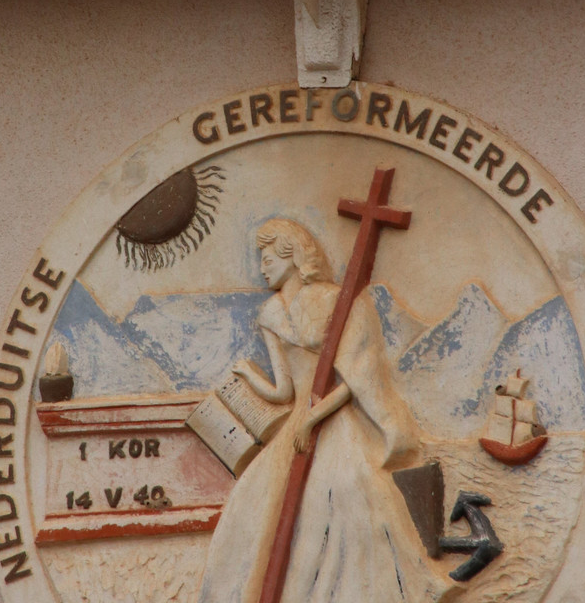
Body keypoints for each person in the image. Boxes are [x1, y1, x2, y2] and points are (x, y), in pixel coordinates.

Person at [196, 219, 459, 603]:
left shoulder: (336, 300)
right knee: (257, 506)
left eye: (268, 257)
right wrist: (250, 378)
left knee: (351, 501)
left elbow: (355, 380)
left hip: (334, 424)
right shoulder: (270, 312)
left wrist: (314, 417)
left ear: (291, 254)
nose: (262, 267)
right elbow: (285, 390)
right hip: (298, 427)